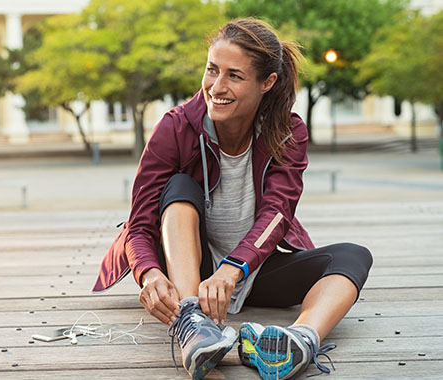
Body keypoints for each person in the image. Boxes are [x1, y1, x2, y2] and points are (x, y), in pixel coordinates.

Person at [93, 17, 372, 380]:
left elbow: (278, 213)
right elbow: (140, 222)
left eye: (234, 76)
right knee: (179, 187)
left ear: (267, 83)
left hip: (250, 270)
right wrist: (148, 274)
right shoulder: (175, 127)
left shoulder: (288, 132)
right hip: (193, 274)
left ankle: (301, 340)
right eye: (212, 70)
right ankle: (193, 323)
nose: (216, 86)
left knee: (353, 255)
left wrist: (234, 268)